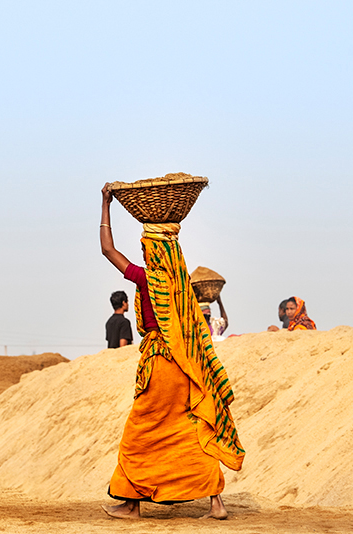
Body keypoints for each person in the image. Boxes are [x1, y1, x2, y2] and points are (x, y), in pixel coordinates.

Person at [99, 184, 244, 520]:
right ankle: (216, 504)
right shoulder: (180, 286)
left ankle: (131, 504)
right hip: (185, 367)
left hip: (161, 366)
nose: (144, 252)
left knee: (141, 432)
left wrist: (105, 204)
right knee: (189, 429)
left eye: (146, 247)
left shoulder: (148, 279)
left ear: (155, 251)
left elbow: (108, 250)